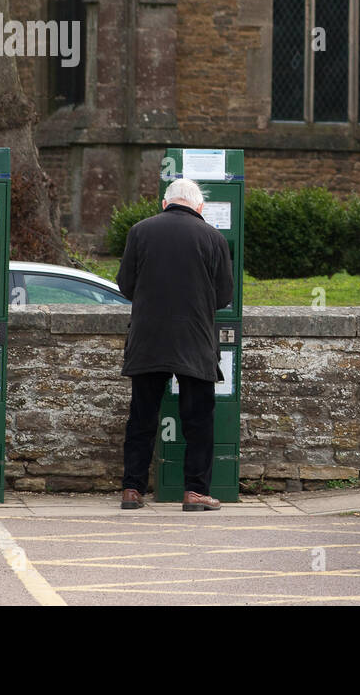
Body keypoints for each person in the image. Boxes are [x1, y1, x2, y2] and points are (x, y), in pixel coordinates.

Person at [116, 177, 235, 511]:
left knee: (141, 416)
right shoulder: (213, 237)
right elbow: (224, 296)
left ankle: (132, 490)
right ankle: (196, 493)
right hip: (194, 340)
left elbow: (126, 286)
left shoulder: (139, 231)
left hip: (148, 338)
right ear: (199, 207)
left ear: (165, 203)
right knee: (198, 420)